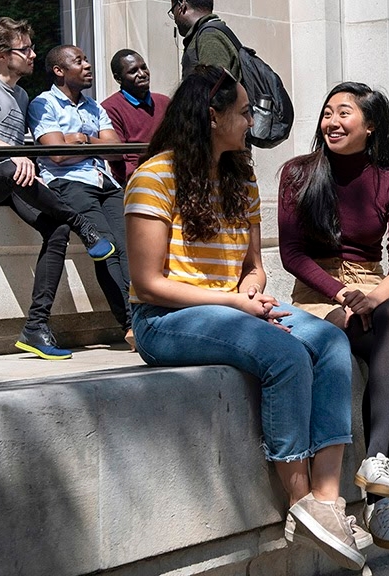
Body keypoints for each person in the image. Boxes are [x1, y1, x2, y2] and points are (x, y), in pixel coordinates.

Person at [126, 65, 365, 571]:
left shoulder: (242, 176)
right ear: (212, 117)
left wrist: (250, 291)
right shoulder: (154, 176)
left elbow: (254, 266)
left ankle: (328, 500)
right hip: (164, 319)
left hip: (234, 309)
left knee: (330, 342)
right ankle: (301, 502)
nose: (251, 121)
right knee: (284, 353)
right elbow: (148, 283)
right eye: (242, 112)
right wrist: (235, 304)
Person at [278, 82, 389, 552]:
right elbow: (293, 255)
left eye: (344, 113)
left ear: (371, 125)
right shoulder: (298, 173)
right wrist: (341, 295)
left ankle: (377, 465)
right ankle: (379, 500)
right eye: (327, 113)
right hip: (318, 294)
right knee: (353, 332)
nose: (332, 122)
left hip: (372, 290)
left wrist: (371, 299)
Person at [0, 18, 115, 361]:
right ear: (2, 55)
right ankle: (82, 224)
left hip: (15, 181)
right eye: (24, 49)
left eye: (31, 48)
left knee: (56, 230)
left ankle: (35, 327)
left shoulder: (23, 95)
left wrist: (28, 167)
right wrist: (13, 154)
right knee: (14, 168)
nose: (32, 55)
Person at [28, 45, 131, 347]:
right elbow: (57, 155)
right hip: (69, 183)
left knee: (130, 245)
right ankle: (131, 323)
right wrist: (91, 145)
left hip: (105, 183)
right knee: (107, 248)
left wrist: (81, 139)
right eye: (79, 61)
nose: (87, 65)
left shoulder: (94, 107)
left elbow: (116, 150)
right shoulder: (43, 104)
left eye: (86, 60)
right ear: (59, 71)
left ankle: (146, 316)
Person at [100, 49, 170, 185]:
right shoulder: (110, 108)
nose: (142, 74)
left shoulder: (164, 102)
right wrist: (146, 178)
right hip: (138, 180)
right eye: (133, 71)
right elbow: (119, 161)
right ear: (118, 78)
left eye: (144, 67)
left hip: (171, 173)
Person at [169, 0, 240, 77]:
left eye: (173, 12)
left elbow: (215, 83)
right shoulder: (206, 35)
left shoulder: (209, 37)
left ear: (182, 4)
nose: (175, 20)